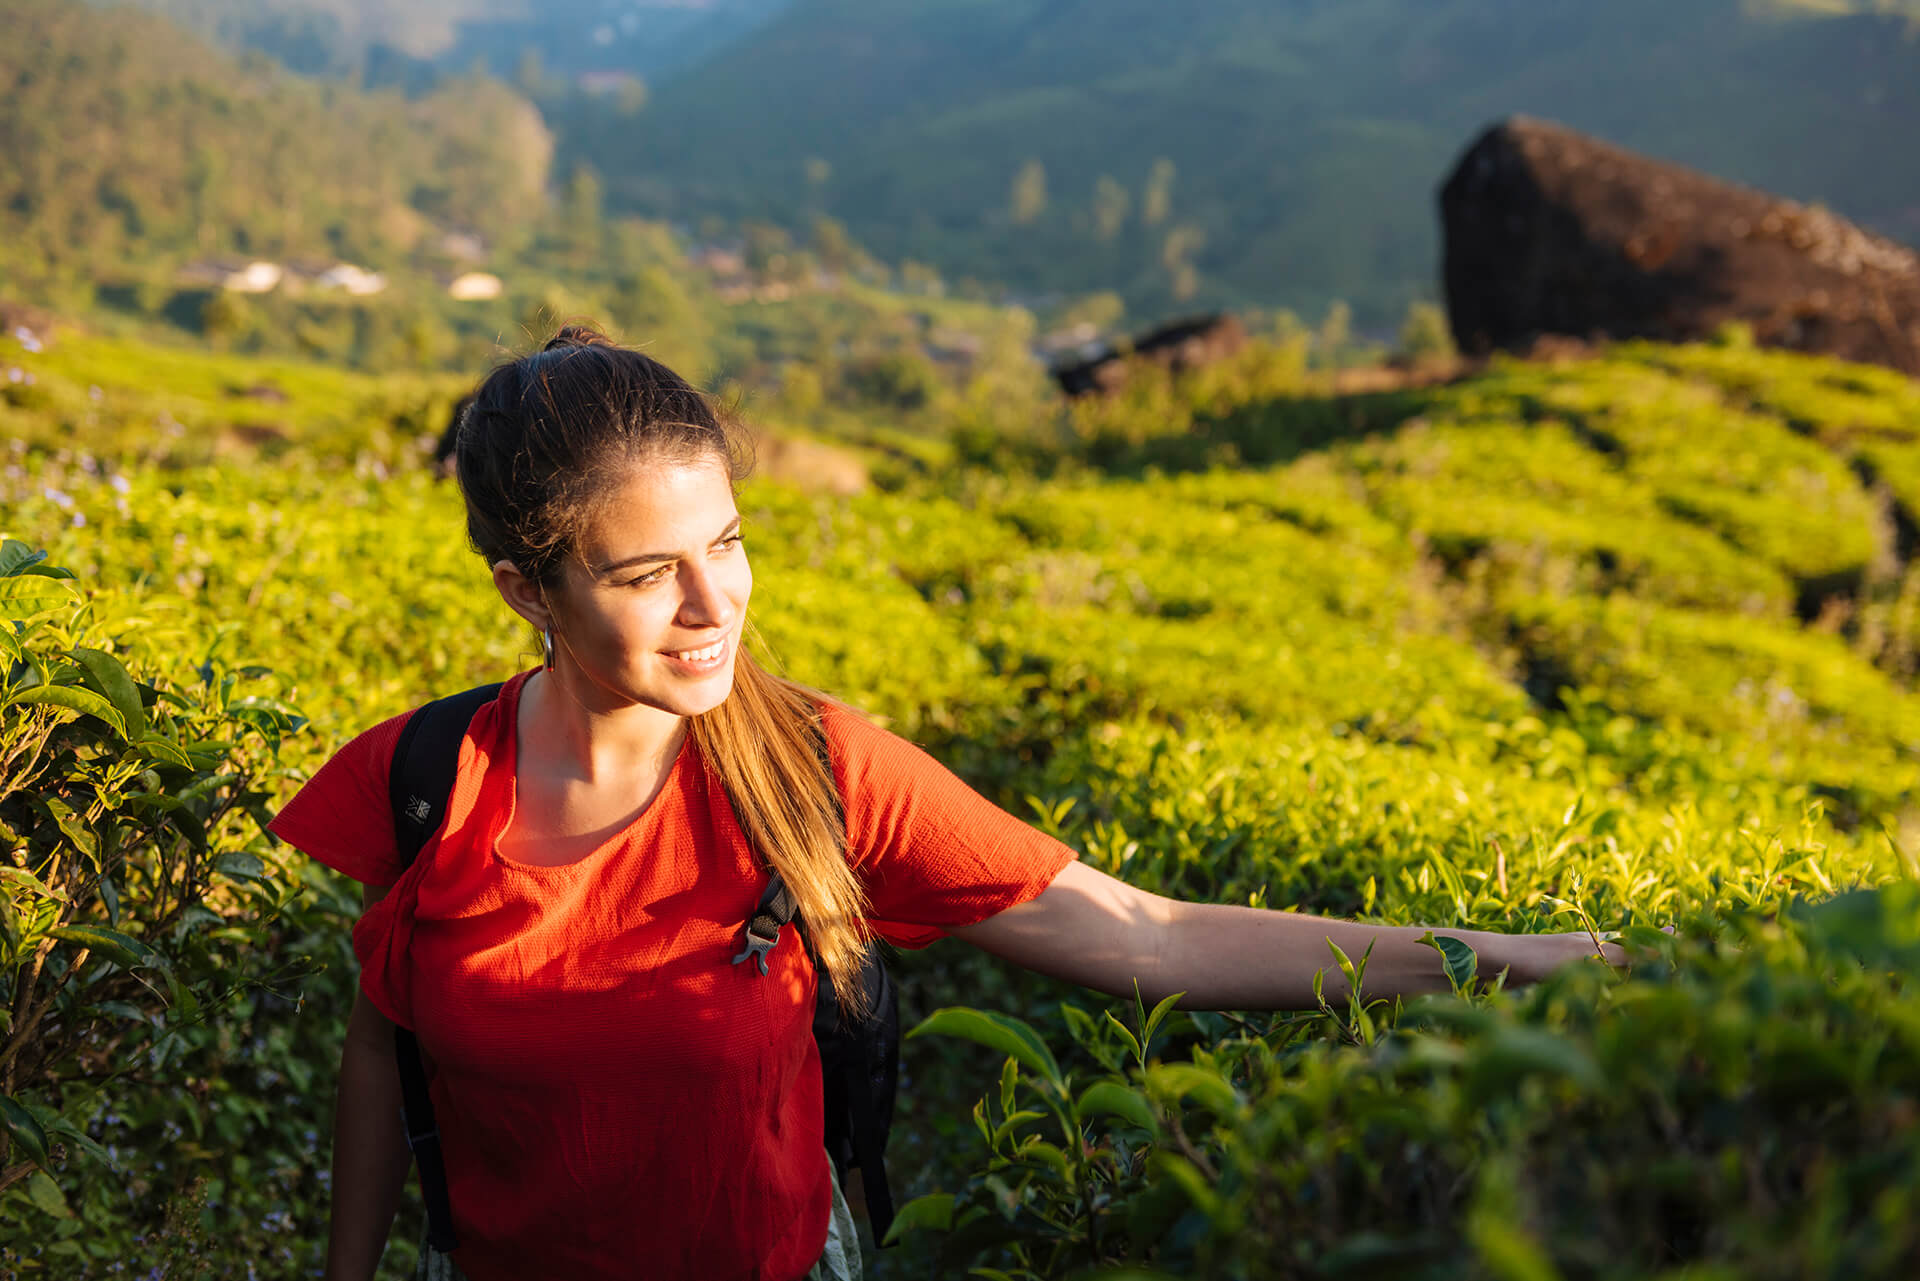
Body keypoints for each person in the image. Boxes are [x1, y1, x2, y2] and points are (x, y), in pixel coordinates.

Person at [271, 326, 1628, 1281]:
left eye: (729, 543)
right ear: (529, 589)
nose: (713, 605)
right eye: (646, 574)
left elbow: (1150, 934)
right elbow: (386, 1046)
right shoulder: (417, 784)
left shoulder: (811, 768)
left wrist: (1488, 959)